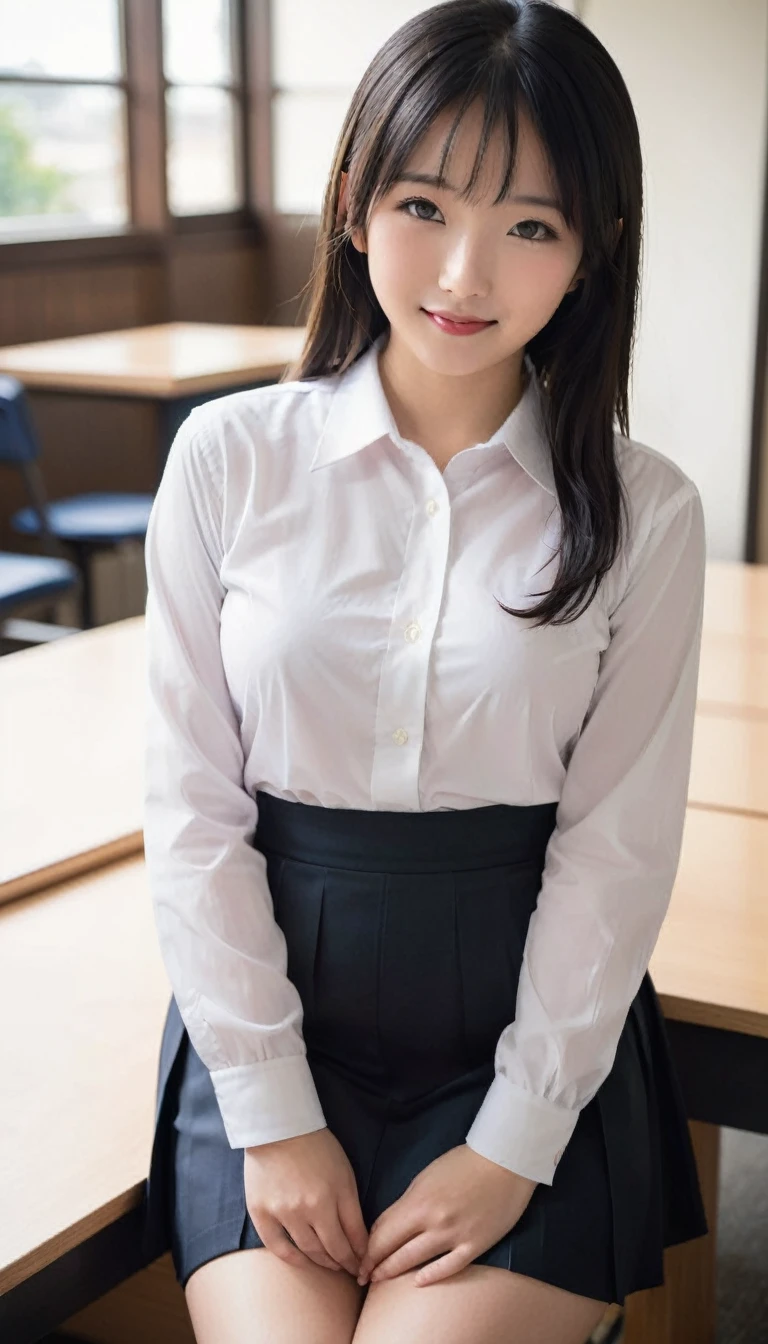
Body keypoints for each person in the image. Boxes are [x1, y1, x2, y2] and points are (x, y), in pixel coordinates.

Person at [139, 1, 710, 1340]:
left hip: (527, 1033)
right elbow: (190, 811)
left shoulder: (647, 511)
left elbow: (615, 855)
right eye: (423, 203)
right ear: (352, 206)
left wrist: (515, 1139)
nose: (465, 272)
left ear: (590, 253)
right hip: (272, 1018)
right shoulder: (228, 460)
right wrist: (274, 1118)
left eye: (530, 225)